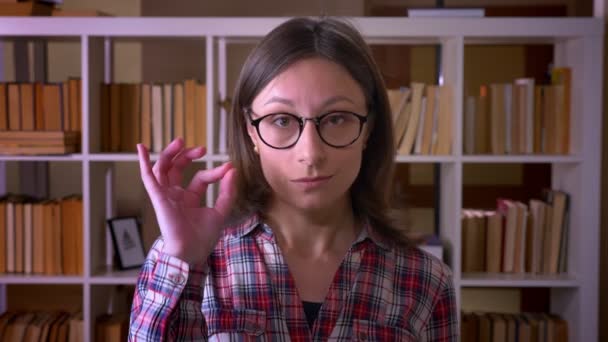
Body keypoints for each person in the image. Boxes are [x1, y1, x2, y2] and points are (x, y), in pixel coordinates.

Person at [129, 16, 457, 341]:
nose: (310, 153)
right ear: (250, 131)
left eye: (337, 118)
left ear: (368, 128)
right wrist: (183, 259)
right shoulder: (186, 258)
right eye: (282, 120)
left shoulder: (425, 279)